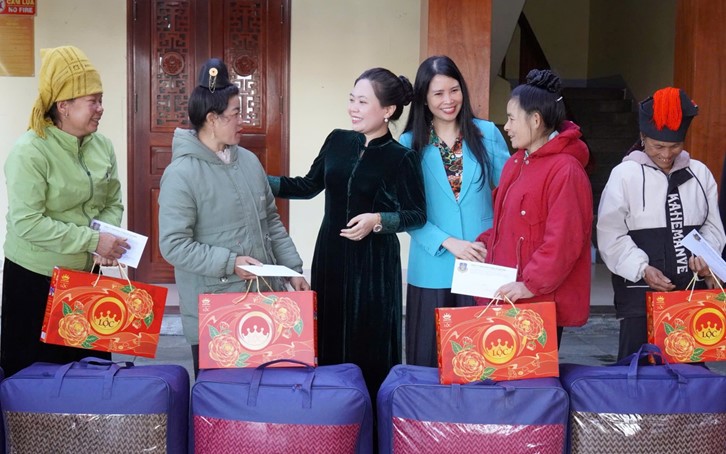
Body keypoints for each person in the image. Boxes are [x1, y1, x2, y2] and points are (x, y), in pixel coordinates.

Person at [268, 67, 426, 400]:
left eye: (362, 102)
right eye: (352, 99)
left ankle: (372, 417)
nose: (353, 108)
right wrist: (256, 180)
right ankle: (331, 413)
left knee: (369, 343)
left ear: (388, 110)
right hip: (331, 257)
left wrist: (378, 220)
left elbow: (416, 214)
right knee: (327, 336)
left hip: (374, 267)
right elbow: (308, 185)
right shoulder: (337, 140)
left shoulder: (402, 158)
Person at [158, 58, 309, 377]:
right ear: (212, 119)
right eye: (236, 114)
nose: (243, 121)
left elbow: (271, 221)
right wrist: (230, 263)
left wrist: (292, 269)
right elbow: (173, 245)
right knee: (222, 399)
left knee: (269, 393)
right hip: (217, 310)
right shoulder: (181, 174)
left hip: (265, 300)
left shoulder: (250, 162)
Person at [1, 46, 129, 377]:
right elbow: (28, 223)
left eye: (101, 100)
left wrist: (106, 239)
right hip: (36, 280)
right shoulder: (30, 152)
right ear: (63, 106)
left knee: (91, 376)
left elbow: (112, 200)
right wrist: (93, 240)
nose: (101, 108)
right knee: (34, 381)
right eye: (93, 101)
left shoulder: (102, 146)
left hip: (87, 277)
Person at [597, 87, 726, 360]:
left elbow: (713, 227)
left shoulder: (699, 174)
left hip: (690, 296)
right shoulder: (624, 175)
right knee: (636, 368)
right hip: (638, 296)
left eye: (675, 146)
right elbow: (610, 234)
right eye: (658, 146)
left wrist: (706, 256)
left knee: (689, 370)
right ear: (643, 138)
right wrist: (641, 268)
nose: (667, 154)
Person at [398, 55, 510, 367]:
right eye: (438, 93)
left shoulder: (487, 133)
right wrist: (448, 242)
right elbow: (405, 210)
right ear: (423, 98)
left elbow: (509, 194)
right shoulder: (409, 143)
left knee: (481, 359)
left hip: (481, 261)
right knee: (428, 359)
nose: (448, 100)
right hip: (432, 265)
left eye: (454, 90)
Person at [475, 69, 593, 346]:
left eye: (511, 118)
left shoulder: (566, 170)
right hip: (509, 294)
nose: (506, 126)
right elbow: (505, 223)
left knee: (530, 374)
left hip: (537, 300)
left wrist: (530, 285)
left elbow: (564, 241)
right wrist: (482, 245)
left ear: (536, 120)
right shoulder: (515, 162)